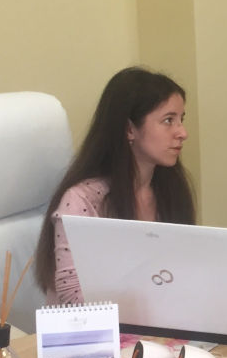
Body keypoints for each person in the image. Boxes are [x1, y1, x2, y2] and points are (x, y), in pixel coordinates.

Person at [34, 67, 195, 304]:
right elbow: (72, 296)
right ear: (129, 129)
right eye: (168, 120)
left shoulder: (171, 189)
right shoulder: (81, 200)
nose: (182, 132)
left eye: (181, 119)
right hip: (93, 326)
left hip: (154, 320)